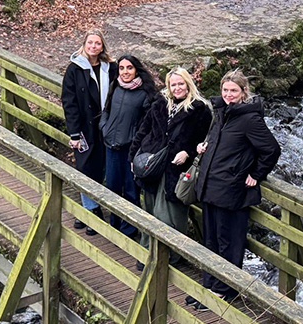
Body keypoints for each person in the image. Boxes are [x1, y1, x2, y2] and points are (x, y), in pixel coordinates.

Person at [194, 69, 281, 304]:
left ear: (244, 92)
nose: (229, 94)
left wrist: (256, 173)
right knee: (210, 240)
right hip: (211, 187)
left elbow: (271, 149)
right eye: (225, 90)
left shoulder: (250, 119)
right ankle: (210, 284)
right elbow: (219, 141)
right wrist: (205, 146)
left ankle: (225, 289)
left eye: (234, 90)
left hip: (231, 191)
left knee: (228, 243)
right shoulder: (222, 112)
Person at [131, 67, 212, 266]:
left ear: (188, 84)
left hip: (176, 172)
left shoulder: (200, 109)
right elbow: (143, 131)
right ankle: (148, 252)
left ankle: (170, 258)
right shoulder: (160, 103)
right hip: (153, 166)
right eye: (173, 84)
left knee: (170, 216)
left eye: (180, 84)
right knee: (149, 211)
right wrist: (133, 157)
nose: (177, 88)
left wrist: (188, 153)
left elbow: (206, 143)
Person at [61, 29, 118, 236]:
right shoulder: (75, 69)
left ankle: (86, 210)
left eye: (97, 43)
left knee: (103, 165)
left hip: (107, 124)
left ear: (102, 46)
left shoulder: (110, 67)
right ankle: (91, 211)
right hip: (85, 127)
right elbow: (70, 103)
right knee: (86, 166)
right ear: (84, 45)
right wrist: (74, 133)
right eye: (90, 43)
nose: (93, 46)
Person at [99, 55, 157, 238]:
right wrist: (104, 127)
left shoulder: (145, 93)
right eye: (122, 68)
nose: (125, 72)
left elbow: (148, 124)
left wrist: (135, 140)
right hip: (110, 146)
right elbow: (106, 110)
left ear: (136, 70)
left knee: (131, 190)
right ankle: (114, 223)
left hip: (131, 150)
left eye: (129, 68)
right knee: (113, 187)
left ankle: (129, 229)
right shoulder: (115, 86)